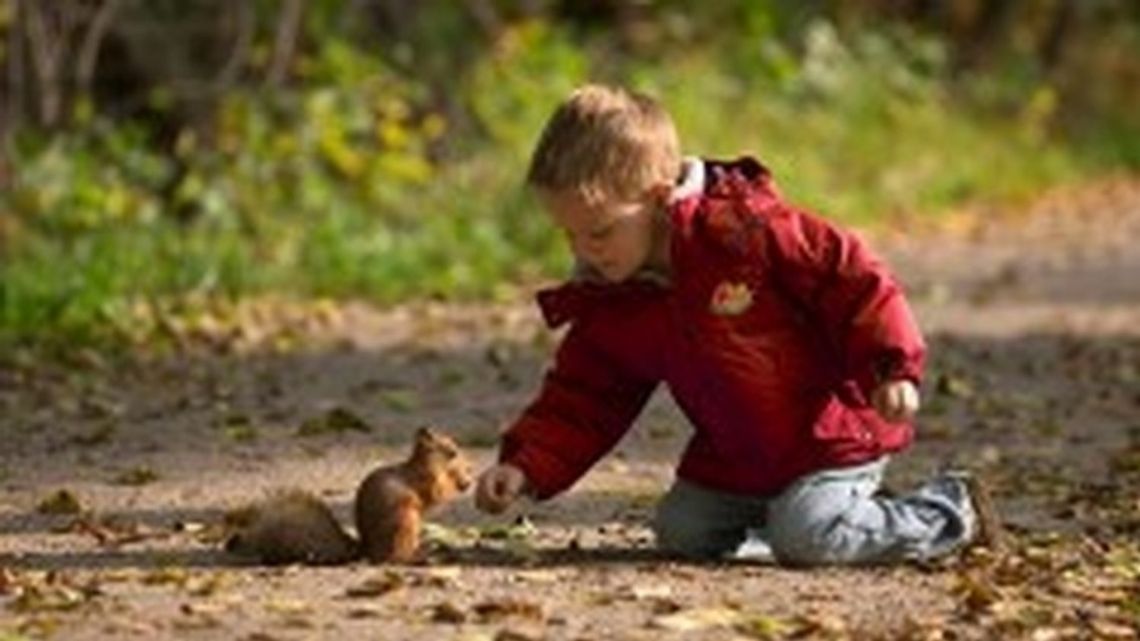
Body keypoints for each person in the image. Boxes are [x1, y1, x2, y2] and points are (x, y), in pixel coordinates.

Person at [474, 84, 1000, 565]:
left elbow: (855, 278)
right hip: (737, 460)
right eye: (569, 236)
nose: (584, 252)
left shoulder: (745, 233)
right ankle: (811, 518)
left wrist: (891, 367)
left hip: (832, 438)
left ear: (658, 199)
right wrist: (527, 465)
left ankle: (950, 509)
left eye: (600, 232)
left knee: (808, 537)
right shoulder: (614, 297)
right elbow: (585, 393)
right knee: (682, 532)